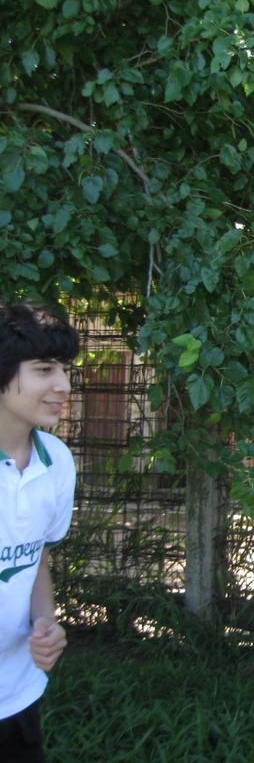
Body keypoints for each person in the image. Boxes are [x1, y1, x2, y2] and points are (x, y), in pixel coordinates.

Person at [0, 301, 80, 763]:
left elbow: (37, 558)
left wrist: (45, 622)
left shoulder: (58, 461)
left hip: (18, 693)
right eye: (45, 369)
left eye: (65, 370)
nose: (63, 385)